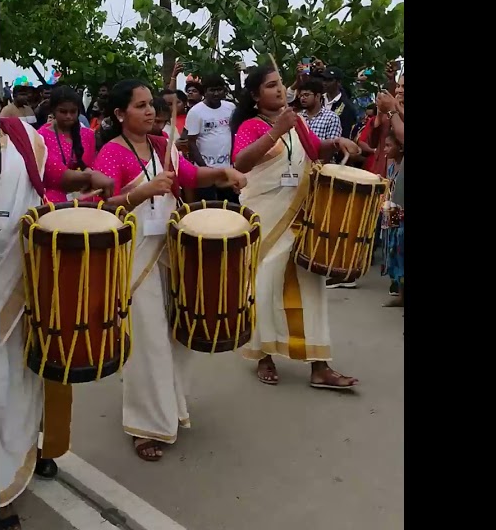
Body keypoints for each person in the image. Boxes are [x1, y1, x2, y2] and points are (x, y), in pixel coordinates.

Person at [86, 80, 246, 462]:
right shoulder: (112, 152)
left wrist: (225, 172)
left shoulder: (162, 146)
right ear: (120, 114)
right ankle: (144, 424)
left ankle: (169, 407)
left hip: (170, 251)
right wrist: (141, 192)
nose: (149, 111)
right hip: (134, 254)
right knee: (148, 341)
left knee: (177, 336)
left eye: (150, 105)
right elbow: (101, 204)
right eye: (139, 106)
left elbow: (190, 177)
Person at [0, 116, 114, 530]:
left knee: (21, 381)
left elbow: (49, 175)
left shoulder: (20, 136)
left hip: (23, 275)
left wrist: (86, 177)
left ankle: (17, 467)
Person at [230, 64, 362, 391]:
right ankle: (263, 355)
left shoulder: (298, 121)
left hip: (302, 215)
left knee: (310, 284)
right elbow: (242, 162)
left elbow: (313, 151)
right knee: (265, 285)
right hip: (265, 216)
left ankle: (320, 365)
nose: (279, 90)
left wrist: (337, 142)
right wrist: (276, 131)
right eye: (271, 85)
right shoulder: (251, 125)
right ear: (255, 94)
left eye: (280, 85)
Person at [38, 86, 99, 204]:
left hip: (84, 200)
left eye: (73, 112)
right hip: (51, 203)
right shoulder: (41, 136)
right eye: (63, 111)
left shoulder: (88, 135)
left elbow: (91, 165)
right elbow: (51, 174)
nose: (68, 116)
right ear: (53, 110)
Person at [185, 74, 239, 205]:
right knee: (209, 208)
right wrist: (205, 169)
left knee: (230, 207)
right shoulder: (195, 112)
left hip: (226, 170)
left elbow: (232, 134)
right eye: (212, 90)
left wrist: (233, 161)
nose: (216, 93)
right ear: (205, 92)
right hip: (205, 172)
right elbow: (191, 143)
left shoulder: (230, 107)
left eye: (219, 89)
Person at [377, 82, 405, 308]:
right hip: (398, 201)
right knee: (396, 243)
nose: (400, 90)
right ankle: (401, 291)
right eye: (399, 86)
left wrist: (393, 109)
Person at [380, 129, 405, 299]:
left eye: (389, 146)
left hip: (400, 211)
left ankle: (400, 286)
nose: (385, 150)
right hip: (391, 210)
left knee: (399, 246)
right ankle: (394, 283)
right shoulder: (390, 167)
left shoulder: (402, 167)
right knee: (390, 245)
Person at [296, 77, 343, 143]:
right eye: (301, 96)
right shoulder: (298, 117)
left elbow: (333, 146)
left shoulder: (331, 118)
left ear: (317, 96)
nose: (302, 98)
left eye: (306, 95)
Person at [320, 66, 359, 143]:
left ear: (338, 82)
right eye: (324, 79)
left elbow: (346, 133)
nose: (325, 83)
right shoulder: (318, 100)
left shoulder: (347, 107)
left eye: (329, 80)